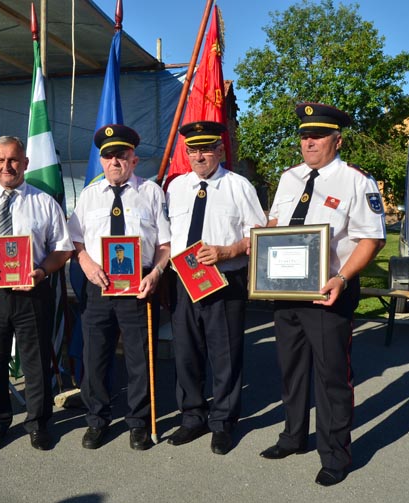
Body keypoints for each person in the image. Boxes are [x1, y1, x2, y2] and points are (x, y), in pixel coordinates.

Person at [259, 103, 386, 486]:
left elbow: (372, 239)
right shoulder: (289, 178)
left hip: (330, 292)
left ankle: (335, 455)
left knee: (331, 377)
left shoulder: (356, 181)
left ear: (337, 140)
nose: (309, 142)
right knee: (291, 370)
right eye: (304, 136)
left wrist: (342, 279)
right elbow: (274, 225)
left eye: (317, 136)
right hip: (285, 293)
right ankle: (293, 436)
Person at [0, 136, 73, 452]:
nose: (7, 166)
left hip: (32, 289)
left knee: (36, 361)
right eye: (1, 160)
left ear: (25, 163)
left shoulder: (44, 203)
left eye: (13, 160)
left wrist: (42, 271)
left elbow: (63, 249)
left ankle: (39, 423)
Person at [165, 121, 267, 454]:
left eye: (206, 149)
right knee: (186, 354)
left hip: (224, 282)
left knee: (225, 356)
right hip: (183, 282)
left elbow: (259, 235)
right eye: (192, 150)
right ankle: (192, 417)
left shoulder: (239, 186)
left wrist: (228, 251)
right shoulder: (175, 187)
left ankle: (223, 422)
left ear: (220, 150)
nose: (199, 156)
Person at [68, 124, 171, 450]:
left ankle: (139, 422)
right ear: (101, 160)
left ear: (133, 159)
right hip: (99, 286)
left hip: (139, 286)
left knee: (140, 359)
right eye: (109, 155)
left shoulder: (151, 193)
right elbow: (75, 241)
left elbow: (165, 244)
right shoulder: (89, 196)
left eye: (121, 155)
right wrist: (87, 264)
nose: (115, 161)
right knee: (95, 357)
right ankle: (97, 419)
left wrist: (156, 273)